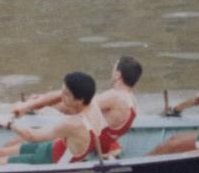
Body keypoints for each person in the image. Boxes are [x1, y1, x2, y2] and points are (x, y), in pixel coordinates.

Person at [12, 56, 142, 158]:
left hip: (85, 143)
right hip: (104, 142)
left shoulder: (114, 97)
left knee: (18, 141)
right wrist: (43, 102)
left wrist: (41, 103)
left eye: (114, 69)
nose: (112, 72)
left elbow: (74, 108)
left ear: (118, 75)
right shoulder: (132, 100)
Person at [0, 72, 105, 165]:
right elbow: (57, 96)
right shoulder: (92, 102)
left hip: (47, 160)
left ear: (80, 99)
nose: (62, 95)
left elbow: (33, 136)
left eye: (66, 94)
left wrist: (9, 124)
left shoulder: (74, 123)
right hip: (53, 146)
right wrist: (29, 105)